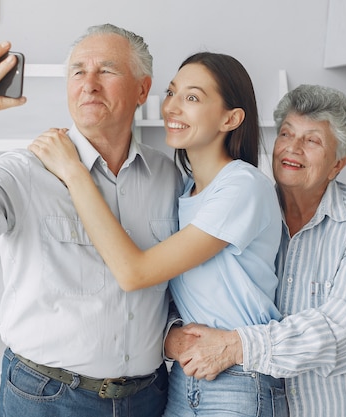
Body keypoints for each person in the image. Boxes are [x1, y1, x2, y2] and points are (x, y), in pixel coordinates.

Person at [0, 24, 183, 417]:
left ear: (142, 89)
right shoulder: (24, 171)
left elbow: (178, 282)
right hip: (45, 399)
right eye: (77, 71)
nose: (88, 84)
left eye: (107, 70)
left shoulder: (169, 178)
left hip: (149, 397)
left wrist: (175, 332)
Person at [29, 52, 288, 417]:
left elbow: (135, 272)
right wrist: (170, 335)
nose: (172, 107)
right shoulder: (184, 191)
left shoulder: (242, 187)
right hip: (186, 379)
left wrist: (74, 173)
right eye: (171, 93)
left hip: (238, 380)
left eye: (193, 98)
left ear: (231, 118)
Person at [164, 84, 346, 417]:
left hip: (343, 406)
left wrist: (236, 346)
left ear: (338, 164)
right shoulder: (248, 204)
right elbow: (203, 286)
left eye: (312, 140)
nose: (292, 149)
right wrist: (173, 336)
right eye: (286, 134)